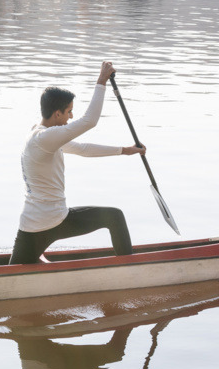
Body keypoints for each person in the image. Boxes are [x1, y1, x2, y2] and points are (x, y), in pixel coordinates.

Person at [9, 60, 145, 265]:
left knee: (12, 272)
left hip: (31, 224)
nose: (71, 117)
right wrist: (101, 81)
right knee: (114, 217)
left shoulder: (39, 135)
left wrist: (125, 151)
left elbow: (83, 149)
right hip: (54, 220)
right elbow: (90, 121)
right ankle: (130, 270)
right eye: (69, 111)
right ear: (57, 113)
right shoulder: (46, 138)